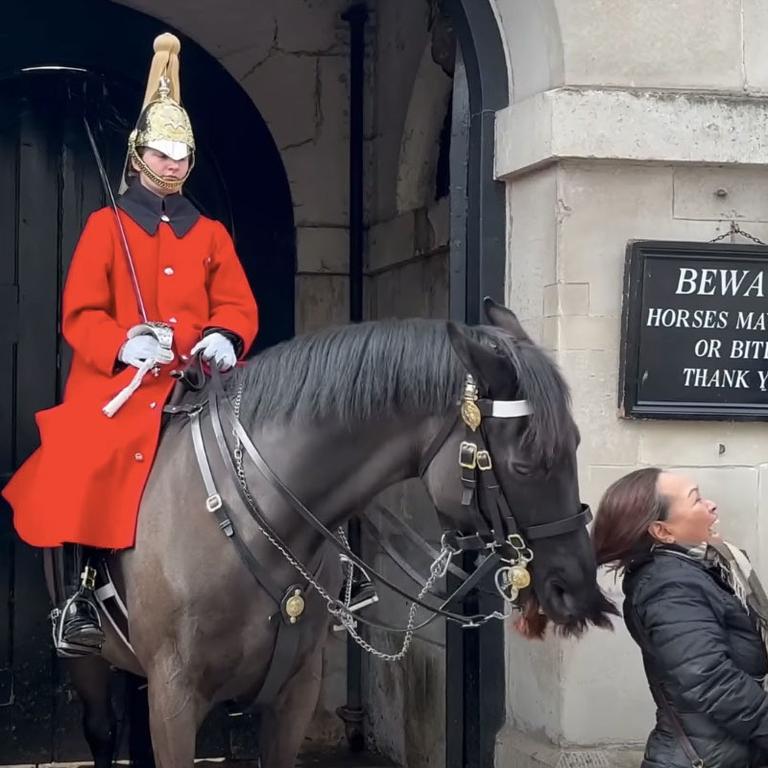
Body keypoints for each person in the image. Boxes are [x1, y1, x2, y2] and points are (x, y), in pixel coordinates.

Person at [1, 33, 259, 657]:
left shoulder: (212, 234)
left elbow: (237, 303)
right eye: (162, 153)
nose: (171, 165)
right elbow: (80, 313)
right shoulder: (104, 227)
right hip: (123, 383)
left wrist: (227, 336)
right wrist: (124, 343)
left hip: (202, 377)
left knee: (272, 445)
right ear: (139, 154)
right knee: (86, 455)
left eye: (181, 155)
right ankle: (84, 592)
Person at [593, 468, 768, 768]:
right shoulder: (669, 588)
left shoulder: (698, 569)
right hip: (704, 758)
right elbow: (712, 681)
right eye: (696, 499)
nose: (711, 504)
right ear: (662, 531)